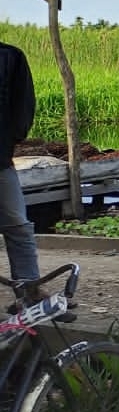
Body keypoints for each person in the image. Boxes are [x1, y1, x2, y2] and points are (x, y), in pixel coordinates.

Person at [0, 40, 40, 293]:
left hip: (0, 161)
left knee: (17, 224)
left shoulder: (10, 56)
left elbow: (23, 106)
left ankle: (29, 291)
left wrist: (9, 139)